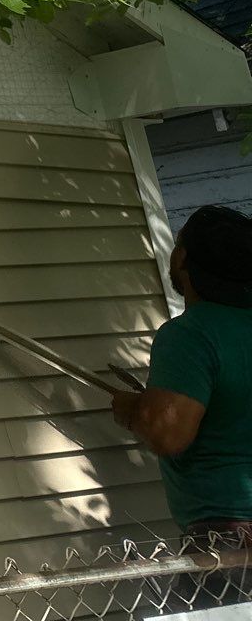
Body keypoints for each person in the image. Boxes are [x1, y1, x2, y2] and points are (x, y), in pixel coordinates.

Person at [113, 204, 252, 552]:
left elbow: (168, 434)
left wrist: (136, 411)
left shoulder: (190, 334)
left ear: (182, 258)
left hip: (230, 538)